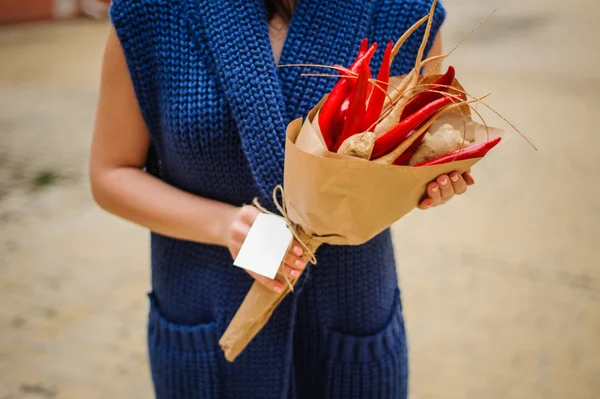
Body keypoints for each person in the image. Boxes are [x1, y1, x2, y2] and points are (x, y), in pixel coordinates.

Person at [90, 0, 473, 397]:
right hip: (208, 321)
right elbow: (110, 173)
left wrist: (430, 182)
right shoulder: (149, 11)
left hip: (348, 322)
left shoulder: (404, 9)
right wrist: (224, 225)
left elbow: (413, 155)